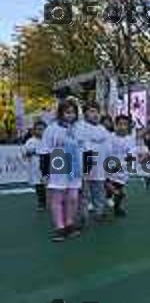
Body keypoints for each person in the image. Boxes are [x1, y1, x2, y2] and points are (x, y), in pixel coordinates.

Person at [39, 99, 84, 241]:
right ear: (60, 113)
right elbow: (45, 151)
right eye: (67, 112)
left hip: (75, 165)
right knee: (57, 197)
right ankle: (60, 227)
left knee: (73, 197)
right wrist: (45, 172)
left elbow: (85, 149)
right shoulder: (51, 129)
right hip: (58, 162)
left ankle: (70, 223)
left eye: (73, 112)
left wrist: (86, 168)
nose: (70, 115)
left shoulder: (80, 128)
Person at [79, 102, 112, 222]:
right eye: (92, 111)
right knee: (84, 191)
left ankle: (99, 213)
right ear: (85, 113)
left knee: (99, 190)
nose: (95, 114)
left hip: (99, 165)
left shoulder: (102, 129)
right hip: (85, 164)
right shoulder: (79, 127)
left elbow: (108, 148)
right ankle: (83, 215)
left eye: (97, 112)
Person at [105, 115, 138, 217]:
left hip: (122, 169)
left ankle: (116, 206)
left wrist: (124, 163)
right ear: (115, 125)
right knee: (113, 189)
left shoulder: (130, 139)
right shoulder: (109, 137)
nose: (122, 127)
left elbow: (132, 153)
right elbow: (106, 151)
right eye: (120, 124)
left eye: (125, 124)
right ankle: (107, 201)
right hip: (109, 167)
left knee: (119, 188)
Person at [22, 120, 47, 210]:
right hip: (36, 164)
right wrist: (31, 151)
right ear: (34, 130)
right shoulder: (30, 141)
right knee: (39, 184)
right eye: (38, 129)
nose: (40, 131)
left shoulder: (48, 140)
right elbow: (25, 152)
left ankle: (56, 201)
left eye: (42, 129)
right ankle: (41, 202)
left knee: (52, 185)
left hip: (49, 164)